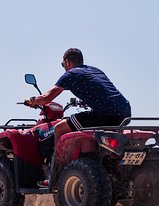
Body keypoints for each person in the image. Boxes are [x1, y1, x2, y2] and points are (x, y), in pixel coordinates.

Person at [25, 48, 131, 184]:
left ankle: (57, 172)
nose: (64, 68)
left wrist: (31, 101)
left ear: (67, 62)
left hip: (105, 114)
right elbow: (103, 91)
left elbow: (46, 98)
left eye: (63, 65)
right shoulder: (95, 70)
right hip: (124, 112)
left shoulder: (70, 75)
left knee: (59, 128)